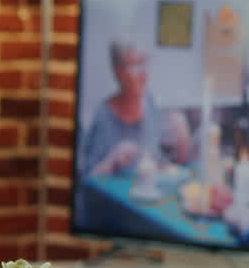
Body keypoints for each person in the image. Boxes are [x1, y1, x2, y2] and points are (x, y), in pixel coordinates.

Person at [79, 41, 192, 176]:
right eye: (136, 65)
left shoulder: (150, 105)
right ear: (118, 72)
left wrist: (183, 141)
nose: (143, 73)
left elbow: (168, 167)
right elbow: (87, 180)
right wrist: (112, 160)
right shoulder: (103, 117)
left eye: (144, 63)